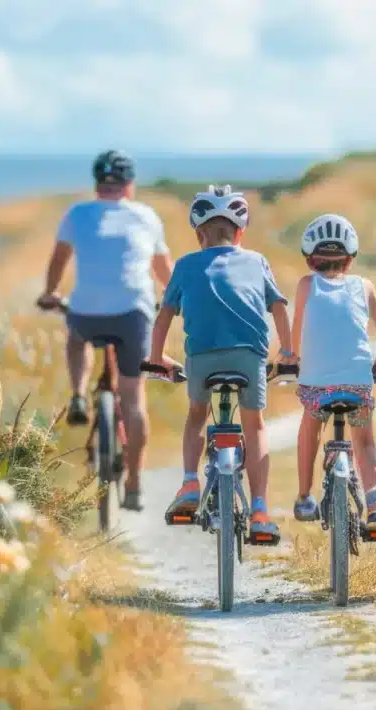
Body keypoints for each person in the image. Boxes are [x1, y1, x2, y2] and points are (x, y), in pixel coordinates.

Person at [150, 185, 294, 542]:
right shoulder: (257, 261)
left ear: (199, 234)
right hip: (249, 356)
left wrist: (156, 358)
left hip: (202, 356)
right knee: (255, 426)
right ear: (240, 232)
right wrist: (288, 353)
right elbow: (278, 307)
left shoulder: (184, 265)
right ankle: (260, 508)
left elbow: (165, 314)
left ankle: (189, 483)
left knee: (197, 416)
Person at [37, 150, 173, 511]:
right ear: (130, 185)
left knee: (77, 336)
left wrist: (51, 294)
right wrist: (175, 301)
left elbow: (58, 261)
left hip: (87, 310)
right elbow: (163, 273)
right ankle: (134, 487)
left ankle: (79, 393)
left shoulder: (78, 214)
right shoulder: (145, 216)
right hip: (132, 312)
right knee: (133, 399)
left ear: (97, 184)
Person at [291, 213, 376, 539]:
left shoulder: (306, 286)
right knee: (364, 443)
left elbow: (295, 338)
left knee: (310, 428)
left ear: (310, 259)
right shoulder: (364, 286)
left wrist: (290, 360)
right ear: (351, 258)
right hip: (357, 387)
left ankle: (305, 497)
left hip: (316, 389)